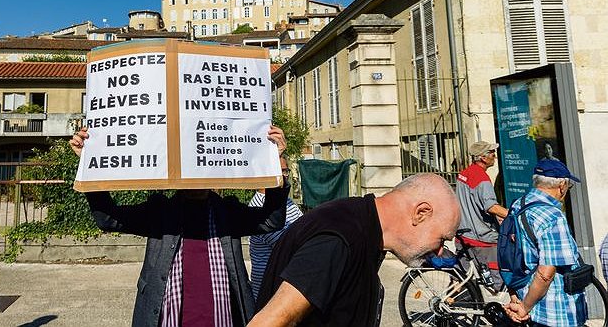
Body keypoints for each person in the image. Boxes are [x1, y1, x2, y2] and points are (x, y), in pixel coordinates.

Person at [69, 126, 290, 326]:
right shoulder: (160, 212)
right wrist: (89, 162)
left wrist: (273, 159)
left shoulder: (227, 212)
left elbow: (271, 221)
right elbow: (108, 219)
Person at [251, 173, 461, 327]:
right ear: (421, 213)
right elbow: (270, 321)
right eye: (442, 239)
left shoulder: (363, 229)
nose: (440, 251)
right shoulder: (340, 237)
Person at [503, 159, 587, 326]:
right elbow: (545, 274)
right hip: (555, 310)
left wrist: (516, 297)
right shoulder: (552, 217)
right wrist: (525, 308)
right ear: (562, 185)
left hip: (525, 295)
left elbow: (509, 255)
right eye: (569, 186)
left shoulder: (517, 205)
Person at [248, 156, 303, 300]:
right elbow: (288, 245)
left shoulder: (287, 202)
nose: (285, 175)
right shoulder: (258, 206)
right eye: (280, 171)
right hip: (268, 292)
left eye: (286, 171)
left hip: (284, 287)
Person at [456, 140, 508, 288]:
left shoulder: (464, 174)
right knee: (498, 283)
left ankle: (452, 299)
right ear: (483, 158)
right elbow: (491, 207)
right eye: (492, 153)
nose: (495, 156)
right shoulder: (481, 178)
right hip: (481, 238)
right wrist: (513, 214)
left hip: (463, 234)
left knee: (463, 280)